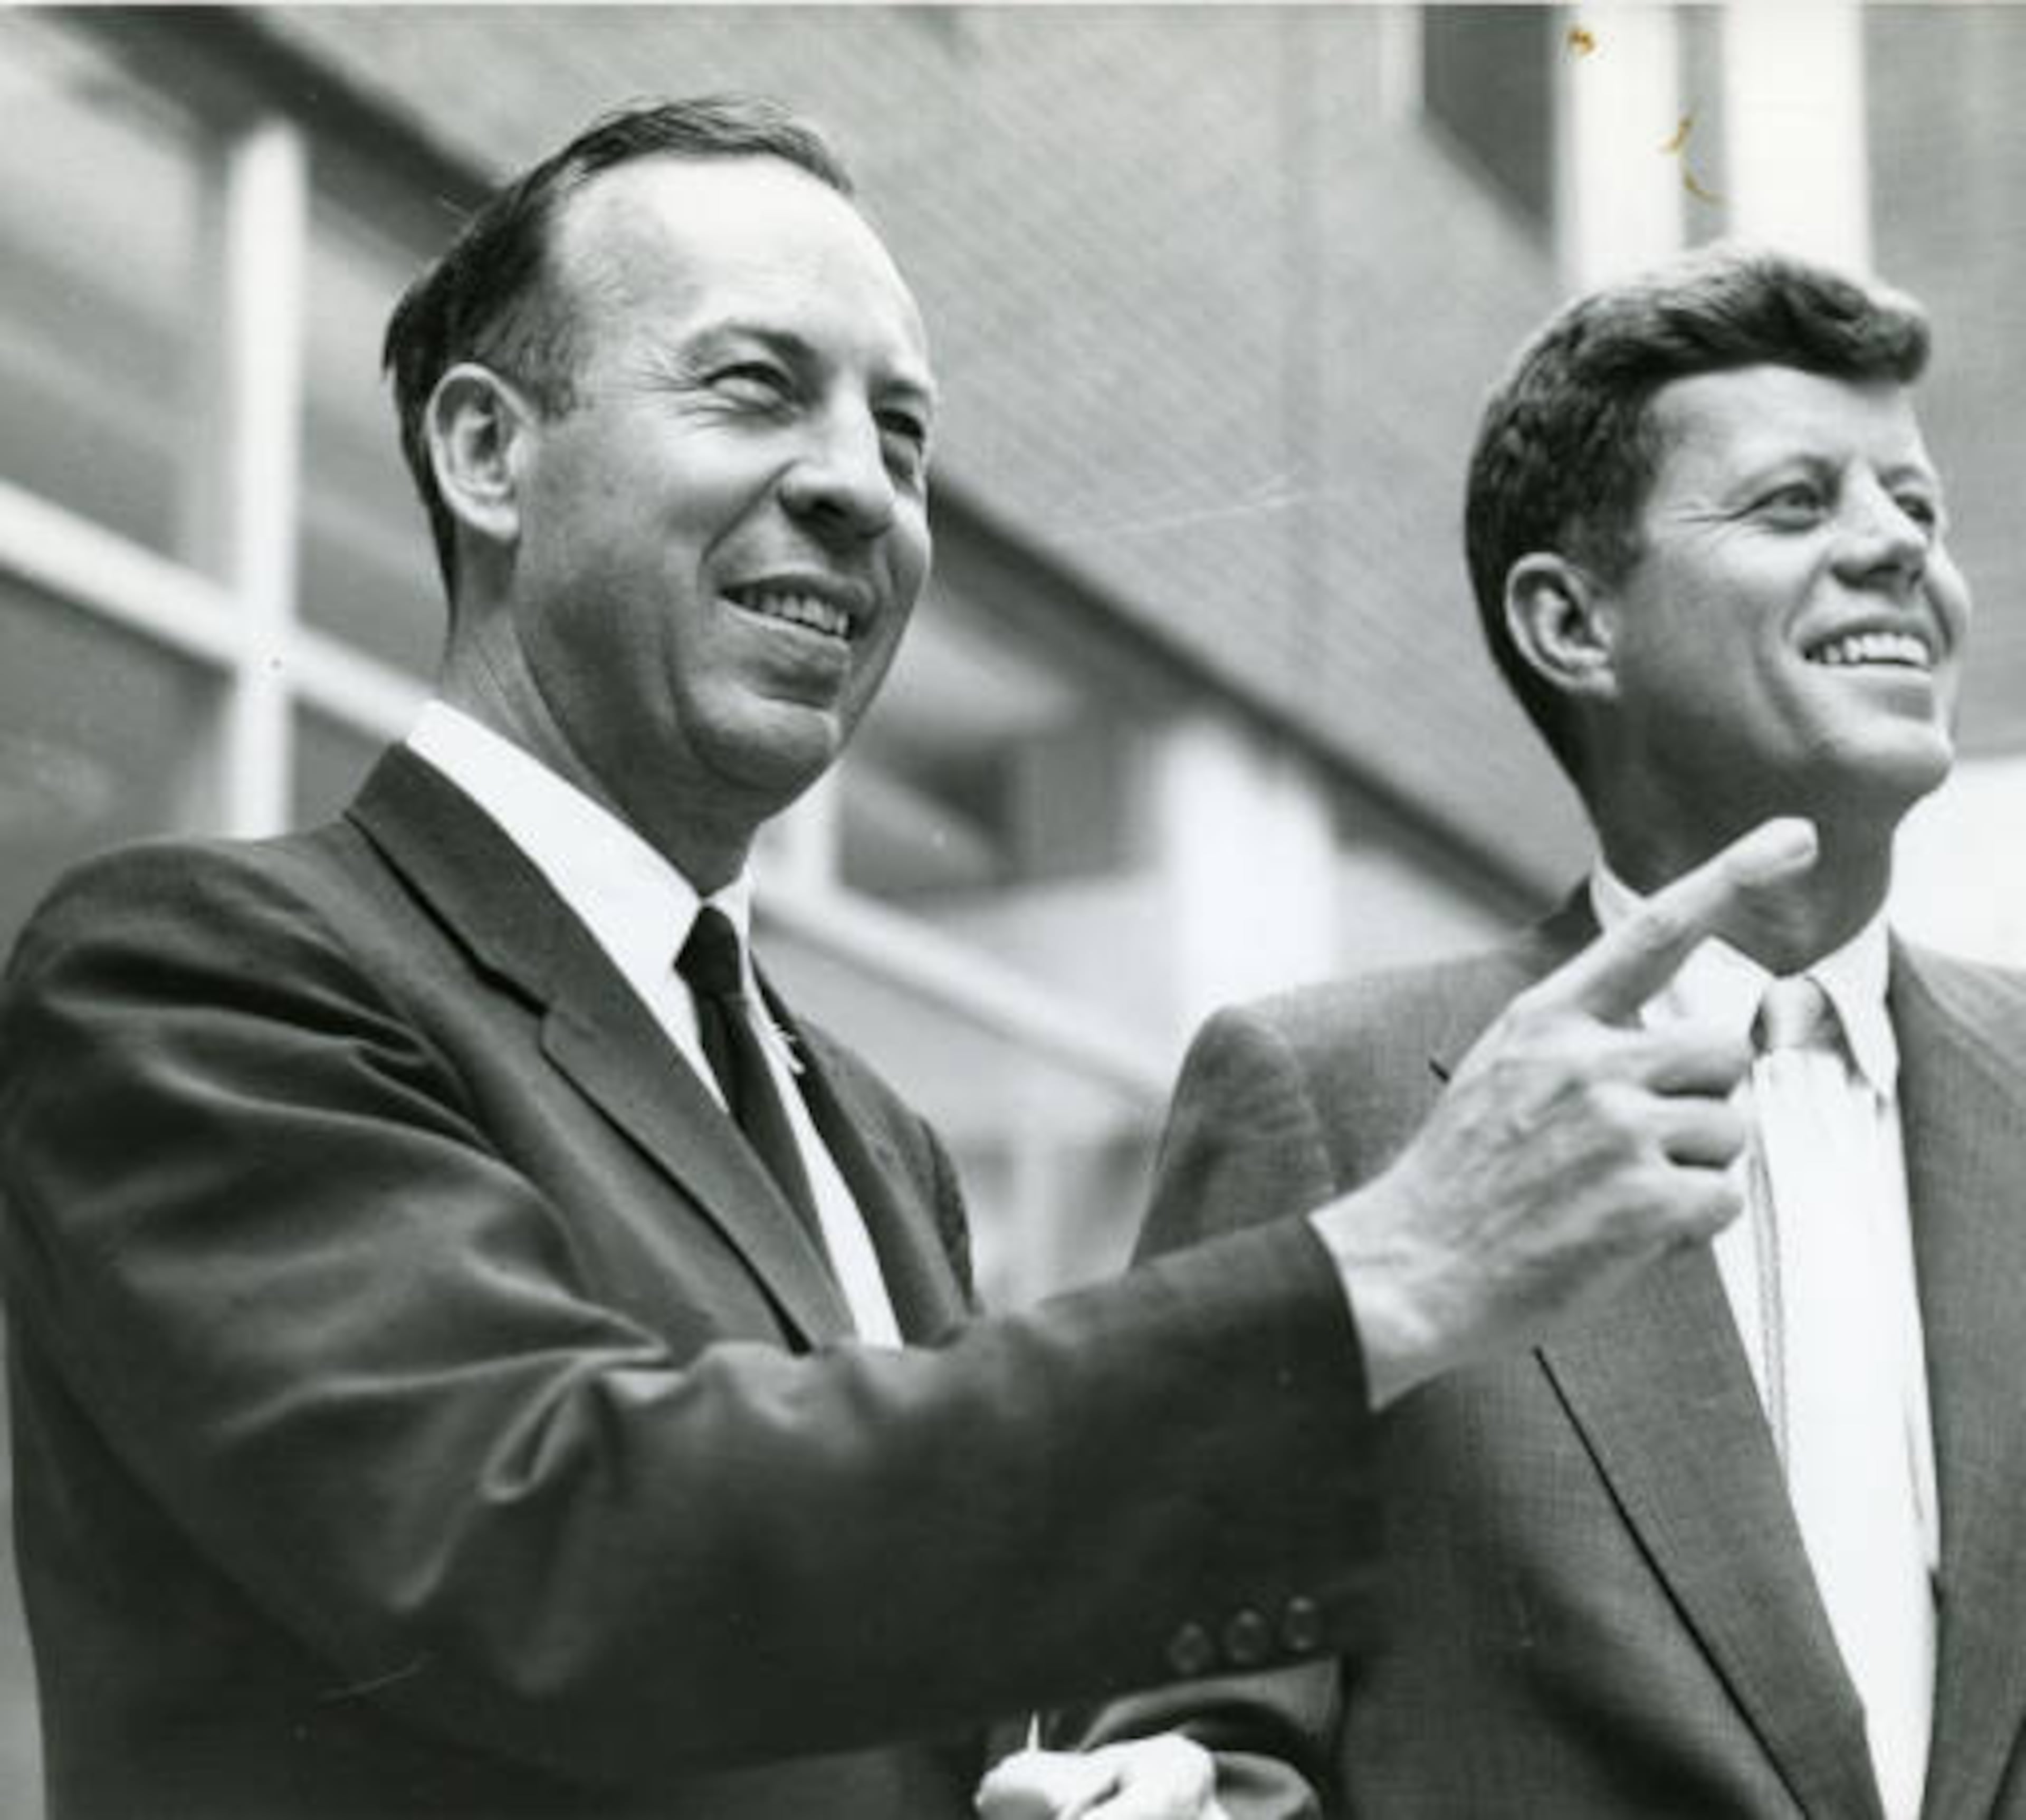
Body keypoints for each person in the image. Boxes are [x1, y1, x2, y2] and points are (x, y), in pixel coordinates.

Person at [0, 103, 1810, 1820]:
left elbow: (834, 1624)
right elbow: (561, 1551)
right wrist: (1387, 1270)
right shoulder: (197, 977)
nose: (861, 489)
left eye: (907, 434)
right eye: (754, 388)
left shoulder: (863, 1127)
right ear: (490, 452)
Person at [999, 244, 2026, 1819]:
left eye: (1917, 507)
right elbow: (1205, 1741)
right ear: (1572, 622)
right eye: (1798, 504)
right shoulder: (1330, 1102)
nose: (1899, 551)